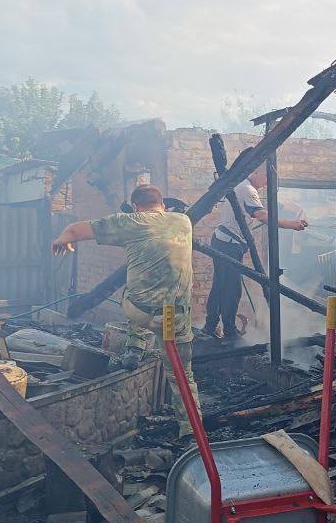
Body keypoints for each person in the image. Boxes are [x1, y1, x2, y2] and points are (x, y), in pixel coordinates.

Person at [51, 183, 199, 433]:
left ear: (135, 207)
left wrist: (61, 239)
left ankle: (134, 348)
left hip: (139, 311)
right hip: (173, 319)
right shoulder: (183, 221)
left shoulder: (128, 222)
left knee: (132, 292)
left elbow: (75, 230)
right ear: (163, 205)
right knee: (182, 375)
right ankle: (190, 428)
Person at [203, 166, 308, 339]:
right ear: (257, 172)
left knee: (220, 286)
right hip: (228, 244)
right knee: (231, 289)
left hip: (223, 241)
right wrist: (292, 225)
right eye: (266, 178)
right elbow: (261, 215)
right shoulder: (248, 189)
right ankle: (229, 331)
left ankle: (210, 325)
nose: (266, 183)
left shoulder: (242, 186)